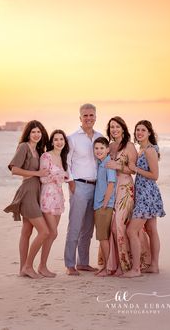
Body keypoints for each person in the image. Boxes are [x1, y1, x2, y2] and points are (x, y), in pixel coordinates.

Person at [4, 120, 50, 279]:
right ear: (28, 133)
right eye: (33, 132)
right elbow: (14, 170)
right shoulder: (23, 146)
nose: (36, 135)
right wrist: (38, 174)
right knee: (44, 232)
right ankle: (29, 266)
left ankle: (22, 269)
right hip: (28, 192)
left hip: (36, 192)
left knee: (26, 232)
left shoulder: (37, 150)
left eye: (39, 132)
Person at [105, 116, 151, 276]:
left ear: (123, 129)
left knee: (119, 224)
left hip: (126, 188)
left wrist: (118, 165)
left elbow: (132, 169)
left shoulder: (130, 146)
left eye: (117, 127)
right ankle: (117, 264)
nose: (114, 130)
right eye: (112, 127)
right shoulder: (109, 146)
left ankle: (127, 266)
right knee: (113, 227)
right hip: (112, 188)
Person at [124, 120, 166, 278]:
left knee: (131, 230)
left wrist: (136, 169)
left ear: (149, 133)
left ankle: (135, 269)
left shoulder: (149, 150)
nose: (139, 132)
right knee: (150, 230)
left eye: (143, 130)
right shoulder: (141, 149)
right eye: (137, 130)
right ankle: (154, 265)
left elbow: (155, 176)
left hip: (148, 195)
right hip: (143, 193)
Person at [64, 103, 102, 276]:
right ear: (80, 118)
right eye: (85, 115)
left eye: (91, 115)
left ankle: (83, 263)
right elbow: (67, 162)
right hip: (78, 185)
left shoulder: (100, 137)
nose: (88, 118)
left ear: (95, 117)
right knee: (75, 226)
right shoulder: (72, 138)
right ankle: (70, 264)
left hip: (96, 187)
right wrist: (71, 182)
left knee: (88, 227)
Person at [38, 130, 69, 277]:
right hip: (48, 197)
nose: (59, 142)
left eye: (61, 139)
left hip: (58, 198)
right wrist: (59, 175)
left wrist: (61, 176)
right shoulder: (46, 156)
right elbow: (43, 179)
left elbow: (64, 178)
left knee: (52, 234)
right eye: (56, 139)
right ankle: (41, 266)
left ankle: (42, 266)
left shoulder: (61, 157)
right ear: (52, 142)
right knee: (52, 232)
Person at [93, 137, 116, 277]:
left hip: (104, 206)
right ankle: (107, 266)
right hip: (99, 205)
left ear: (107, 149)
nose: (99, 150)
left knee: (103, 237)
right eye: (96, 148)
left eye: (102, 148)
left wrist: (105, 204)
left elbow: (111, 184)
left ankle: (108, 267)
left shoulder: (108, 163)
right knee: (102, 237)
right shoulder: (100, 163)